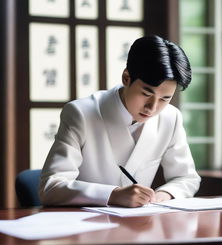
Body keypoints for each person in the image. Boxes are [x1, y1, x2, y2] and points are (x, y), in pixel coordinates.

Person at [39, 35, 201, 208]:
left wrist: (162, 196)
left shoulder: (170, 117)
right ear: (126, 78)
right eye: (146, 94)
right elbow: (51, 187)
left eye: (165, 98)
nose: (152, 107)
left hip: (141, 223)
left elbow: (186, 177)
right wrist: (112, 195)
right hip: (86, 224)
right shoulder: (81, 113)